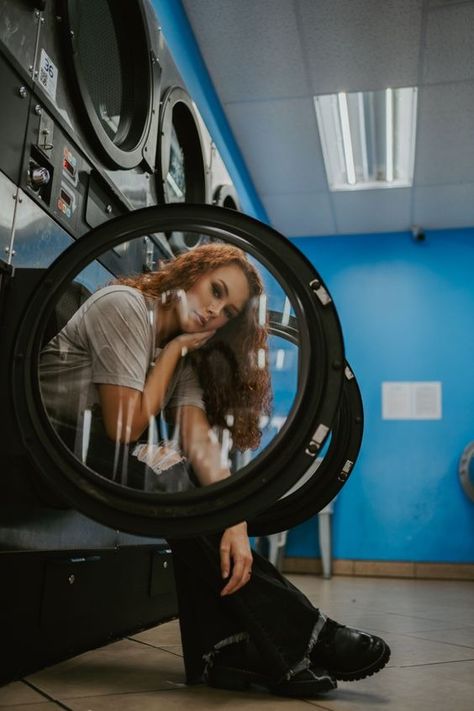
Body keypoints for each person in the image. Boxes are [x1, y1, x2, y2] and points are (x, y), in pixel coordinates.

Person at [39, 243, 390, 698]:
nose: (213, 311)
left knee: (183, 482)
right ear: (192, 273)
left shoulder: (185, 354)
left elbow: (199, 440)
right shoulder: (124, 306)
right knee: (172, 483)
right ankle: (307, 634)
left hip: (92, 446)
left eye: (227, 310)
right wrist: (174, 352)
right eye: (215, 290)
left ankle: (229, 652)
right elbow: (124, 426)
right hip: (47, 438)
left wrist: (235, 520)